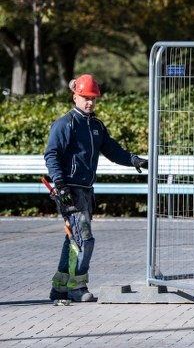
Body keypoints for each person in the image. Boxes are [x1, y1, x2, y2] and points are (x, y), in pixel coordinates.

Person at [43, 74, 149, 303]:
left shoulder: (96, 126)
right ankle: (77, 287)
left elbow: (112, 150)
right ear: (75, 97)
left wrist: (134, 160)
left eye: (93, 98)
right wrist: (60, 184)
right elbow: (51, 154)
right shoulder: (65, 124)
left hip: (86, 190)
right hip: (70, 190)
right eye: (85, 98)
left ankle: (59, 287)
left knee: (73, 240)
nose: (90, 102)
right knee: (84, 239)